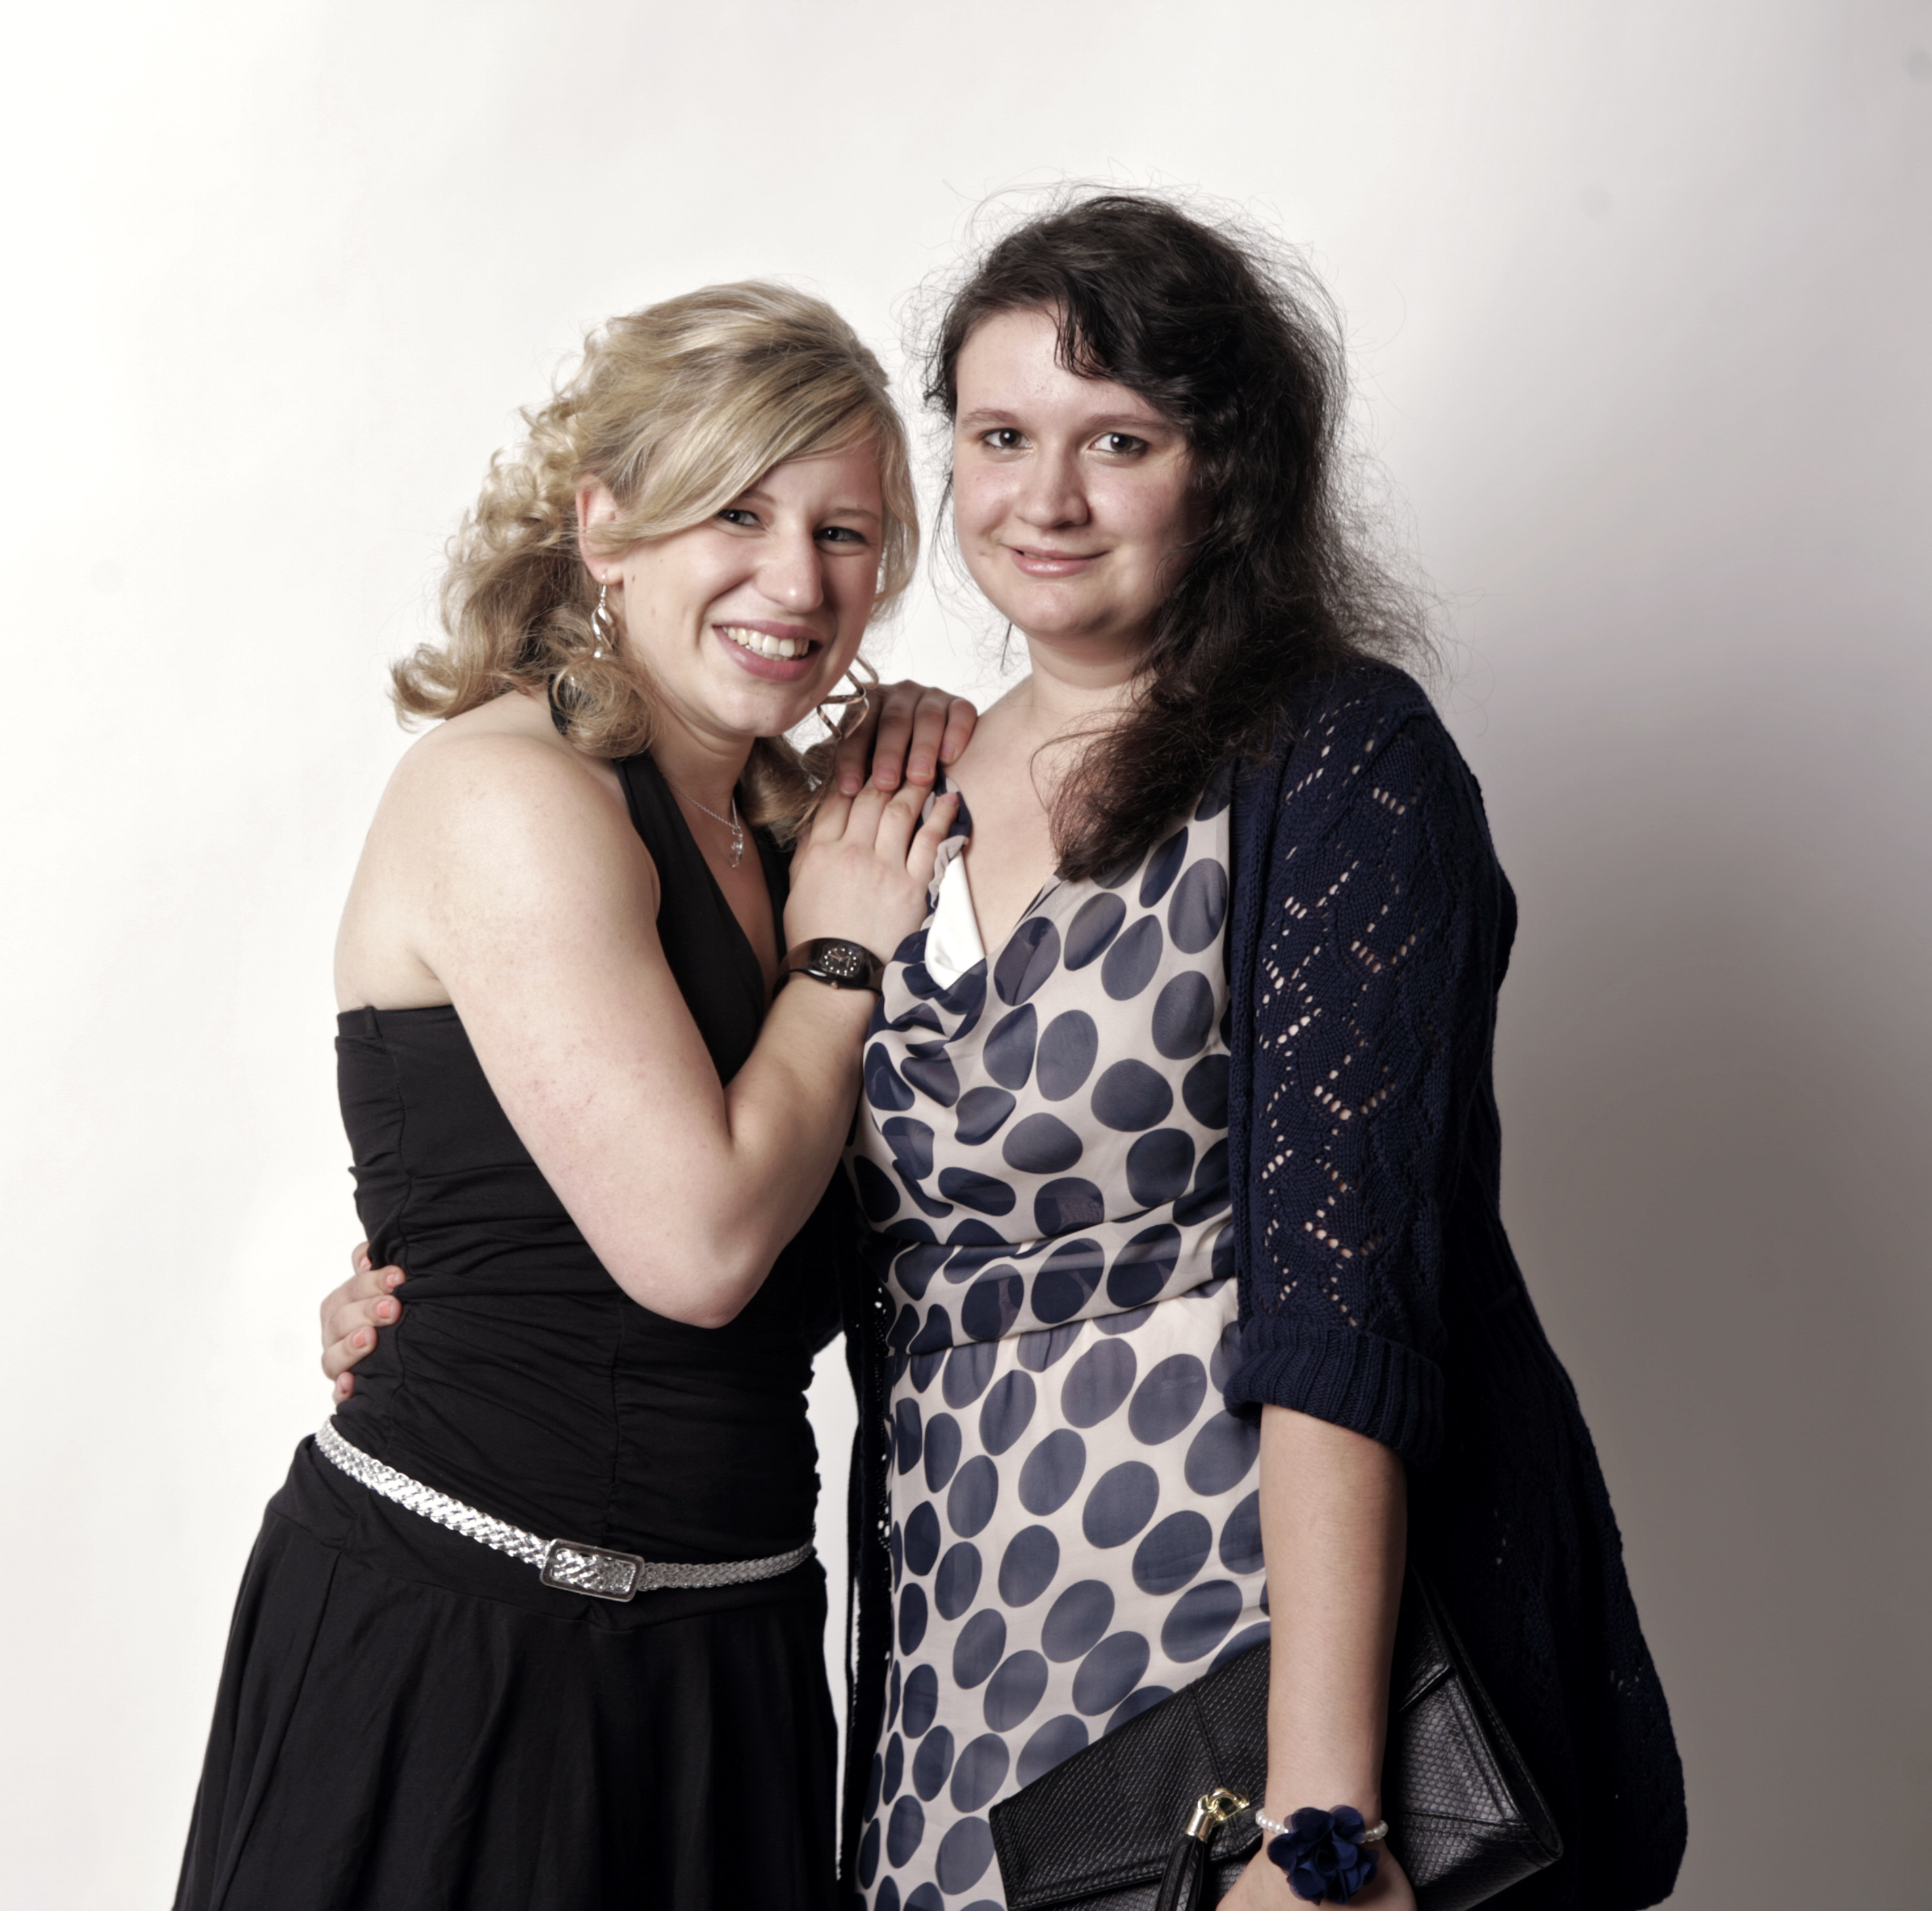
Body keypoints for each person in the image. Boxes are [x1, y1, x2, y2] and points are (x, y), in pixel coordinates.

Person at [326, 195, 1687, 1911]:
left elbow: (1350, 1309)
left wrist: (1327, 1816)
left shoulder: (1336, 767)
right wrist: (434, 1281)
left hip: (1242, 1662)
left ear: (1227, 471)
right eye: (999, 437)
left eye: (1117, 439)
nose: (1047, 499)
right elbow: (746, 1184)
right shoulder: (883, 801)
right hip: (953, 1682)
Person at [175, 280, 980, 1911]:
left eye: (844, 532)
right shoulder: (509, 790)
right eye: (736, 511)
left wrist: (929, 791)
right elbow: (697, 1247)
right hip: (458, 1647)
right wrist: (840, 959)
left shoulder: (795, 829)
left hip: (734, 1665)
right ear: (606, 526)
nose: (797, 580)